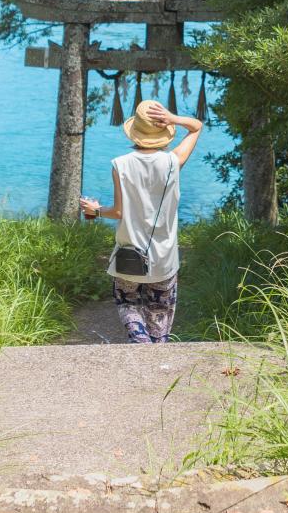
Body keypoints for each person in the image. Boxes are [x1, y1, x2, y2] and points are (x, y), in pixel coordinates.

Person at [79, 99, 203, 343]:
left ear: (135, 131)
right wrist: (173, 118)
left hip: (129, 257)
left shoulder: (120, 164)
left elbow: (117, 212)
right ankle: (154, 352)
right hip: (164, 259)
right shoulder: (173, 162)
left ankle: (140, 342)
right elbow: (196, 126)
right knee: (159, 315)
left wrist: (95, 210)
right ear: (163, 130)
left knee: (128, 305)